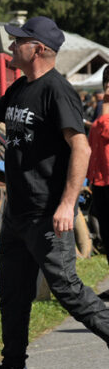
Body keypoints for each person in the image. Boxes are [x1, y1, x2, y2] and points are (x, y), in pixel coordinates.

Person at [0, 16, 109, 369]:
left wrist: (68, 204)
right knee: (13, 292)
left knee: (69, 290)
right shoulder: (20, 89)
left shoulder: (57, 90)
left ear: (38, 49)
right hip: (17, 214)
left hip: (47, 213)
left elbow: (80, 147)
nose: (11, 44)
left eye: (18, 40)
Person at [86, 65, 109, 298]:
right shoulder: (101, 113)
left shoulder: (105, 115)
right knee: (104, 233)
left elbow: (106, 131)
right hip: (101, 180)